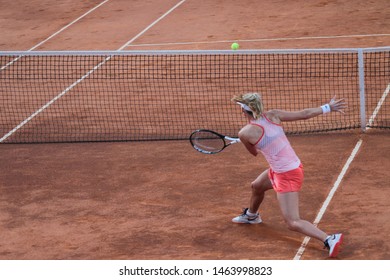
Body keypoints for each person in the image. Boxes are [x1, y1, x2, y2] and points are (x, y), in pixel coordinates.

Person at [231, 92, 347, 258]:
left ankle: (329, 239)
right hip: (287, 167)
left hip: (286, 174)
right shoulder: (273, 115)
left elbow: (254, 152)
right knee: (257, 186)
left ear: (244, 111)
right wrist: (328, 107)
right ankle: (251, 215)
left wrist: (244, 141)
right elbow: (305, 114)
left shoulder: (245, 133)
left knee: (292, 222)